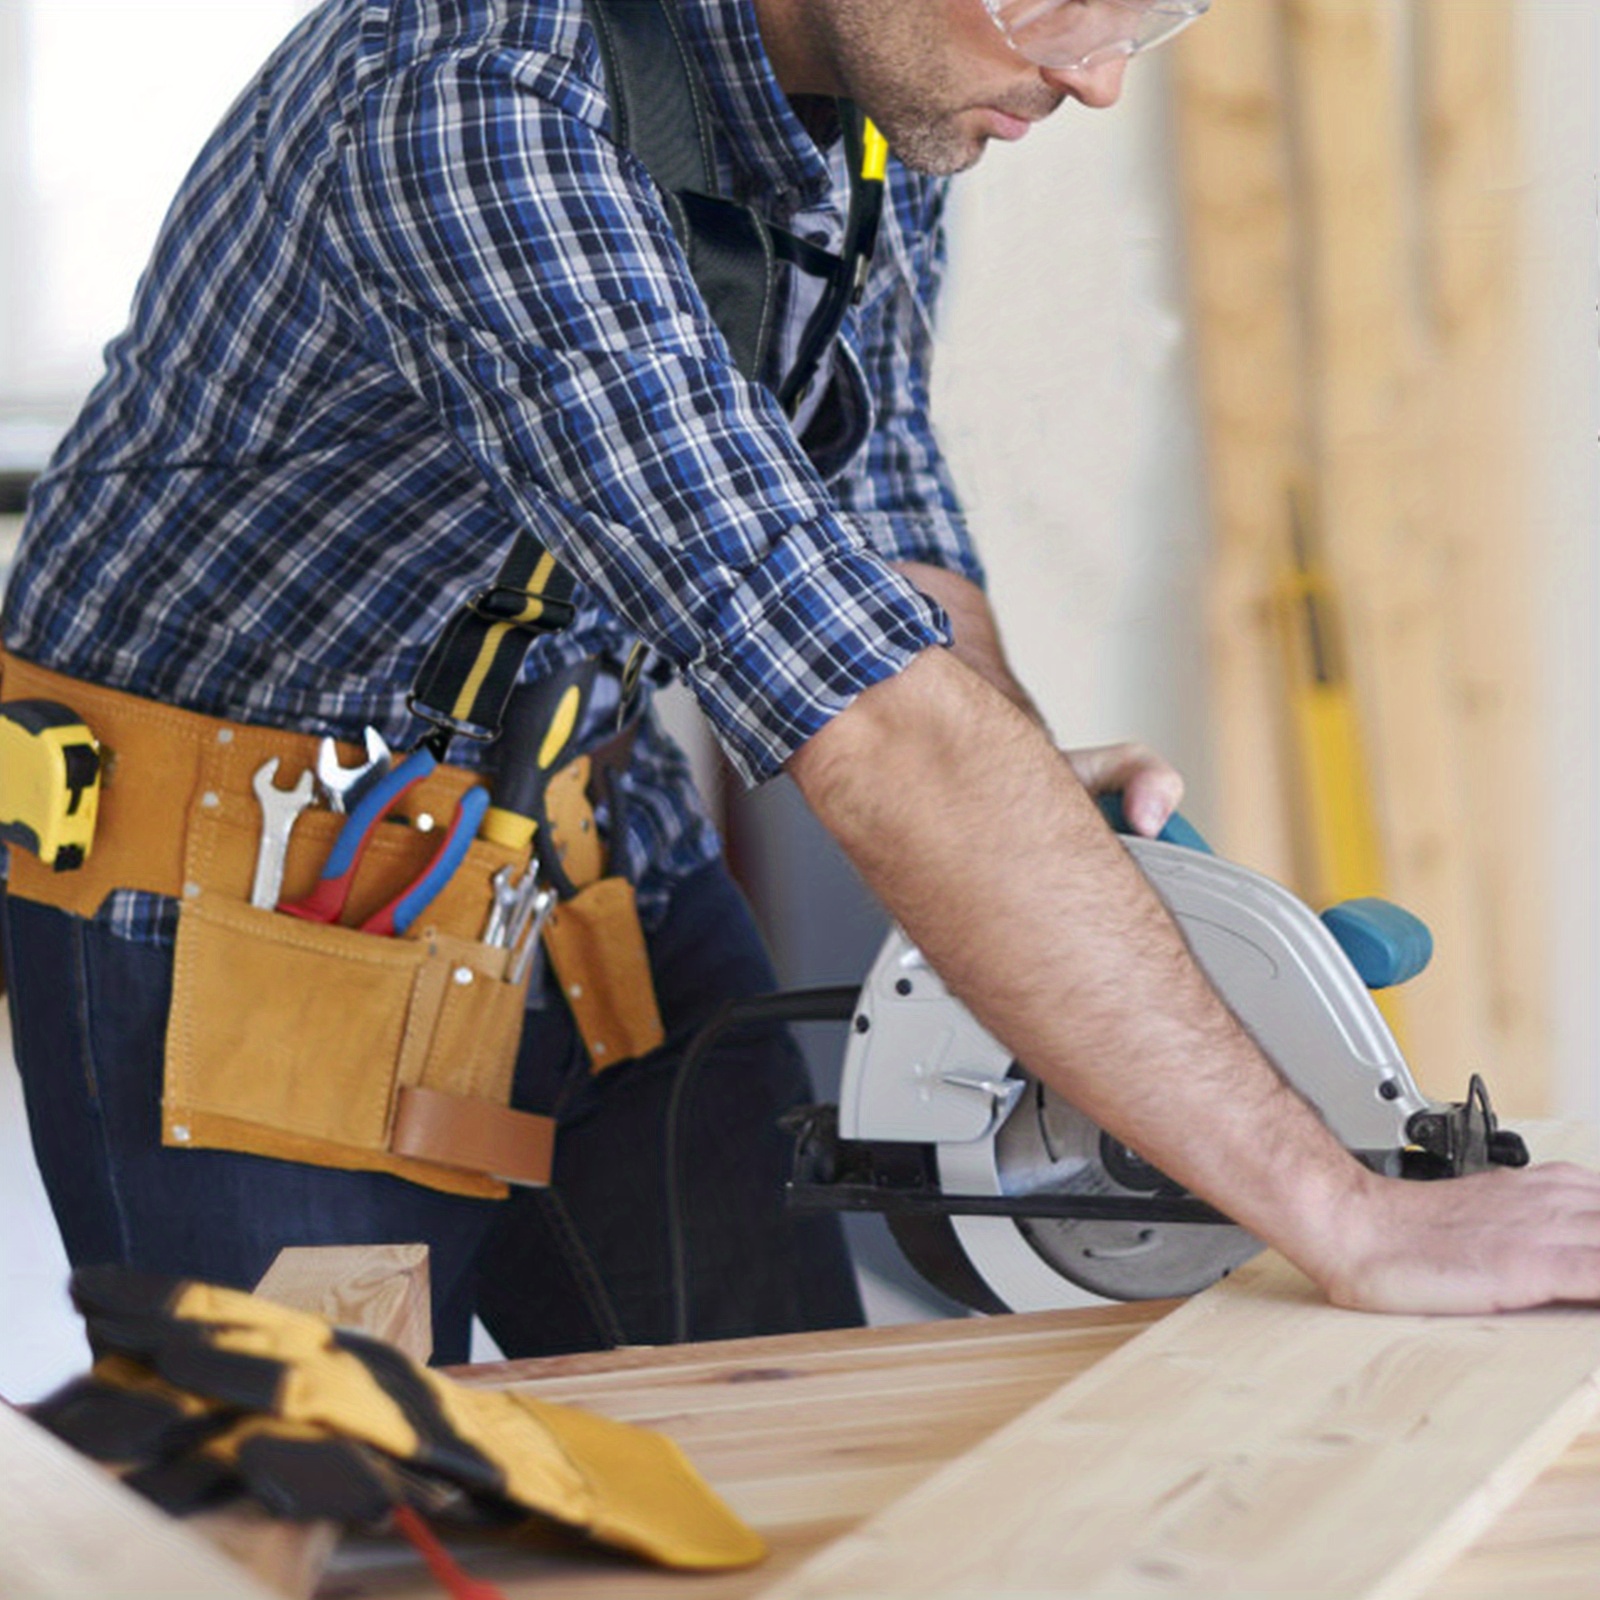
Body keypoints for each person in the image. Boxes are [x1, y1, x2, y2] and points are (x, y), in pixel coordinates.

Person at [4, 0, 1598, 1370]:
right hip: (254, 907)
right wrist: (1346, 1217)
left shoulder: (883, 104)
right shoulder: (469, 101)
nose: (1101, 74)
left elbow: (882, 524)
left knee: (774, 1448)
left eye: (1152, 11)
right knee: (330, 1511)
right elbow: (879, 727)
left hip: (581, 842)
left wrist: (1043, 815)